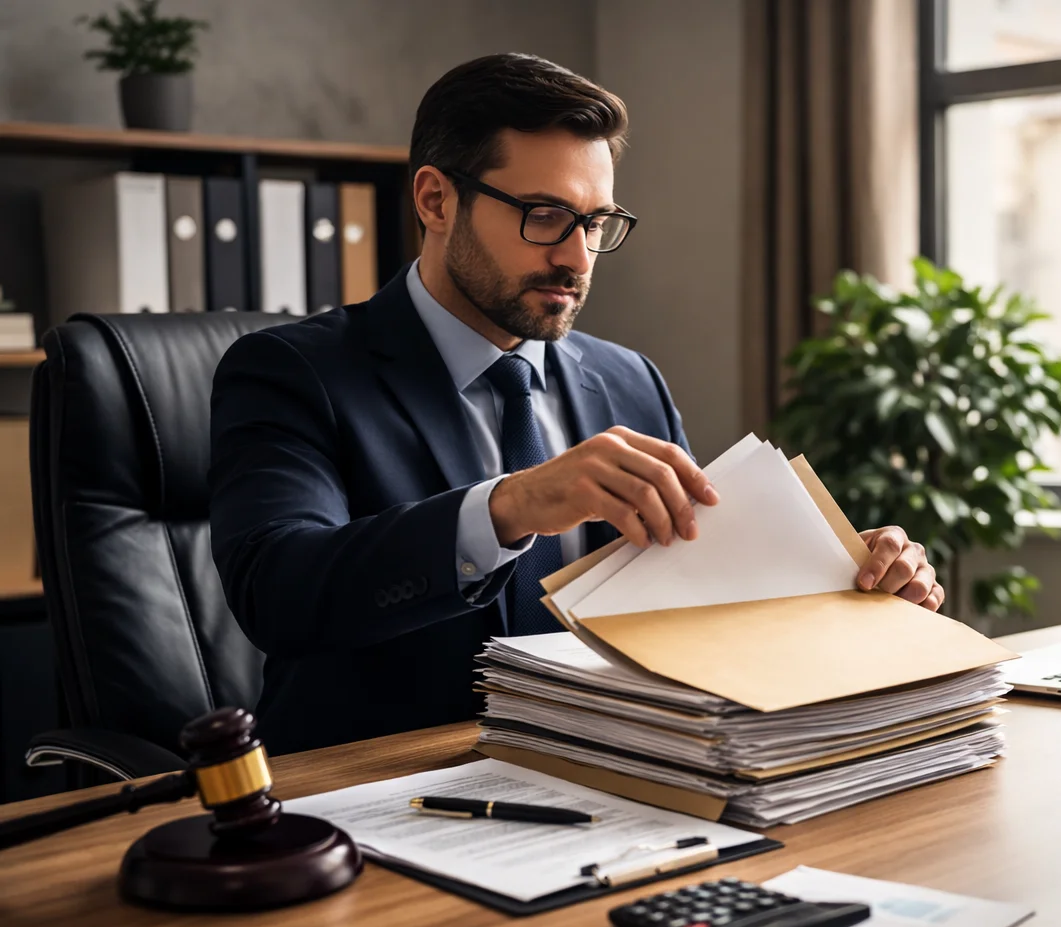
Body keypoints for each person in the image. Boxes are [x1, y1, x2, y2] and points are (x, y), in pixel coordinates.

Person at [209, 53, 941, 756]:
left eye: (594, 223)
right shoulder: (292, 371)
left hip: (607, 774)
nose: (576, 257)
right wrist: (508, 508)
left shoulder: (629, 381)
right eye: (544, 214)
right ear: (435, 200)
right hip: (379, 788)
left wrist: (841, 580)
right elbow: (278, 594)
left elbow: (689, 597)